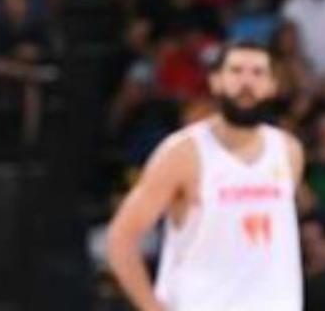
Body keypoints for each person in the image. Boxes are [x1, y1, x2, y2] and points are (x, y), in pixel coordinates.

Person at [107, 41, 305, 311]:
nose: (246, 81)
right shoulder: (183, 153)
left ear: (272, 85)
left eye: (257, 73)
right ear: (216, 82)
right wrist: (151, 307)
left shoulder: (289, 151)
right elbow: (121, 238)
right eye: (236, 71)